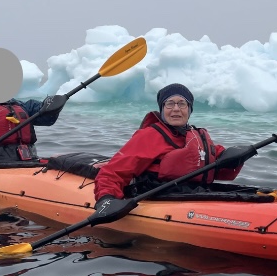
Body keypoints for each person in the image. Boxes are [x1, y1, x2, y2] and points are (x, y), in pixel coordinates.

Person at [93, 83, 257, 207]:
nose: (176, 109)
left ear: (189, 109)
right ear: (162, 109)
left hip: (193, 194)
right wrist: (107, 199)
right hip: (159, 197)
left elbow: (218, 163)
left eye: (182, 104)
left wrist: (237, 156)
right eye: (170, 104)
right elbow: (112, 173)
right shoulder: (150, 136)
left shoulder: (196, 136)